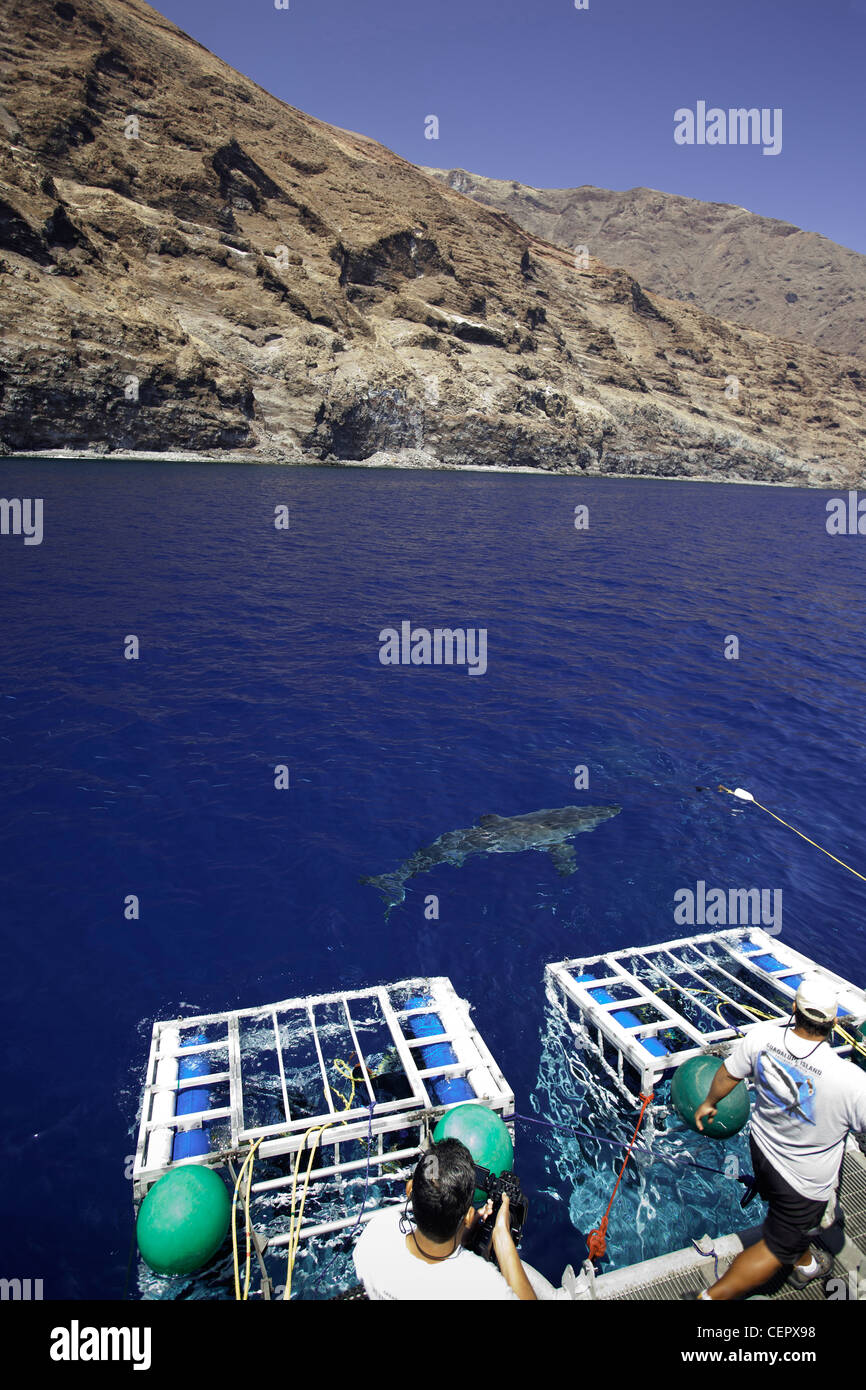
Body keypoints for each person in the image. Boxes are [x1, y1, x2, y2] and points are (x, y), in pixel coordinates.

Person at [693, 974, 866, 1300]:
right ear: (833, 1022)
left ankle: (805, 1263)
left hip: (762, 1153)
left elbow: (729, 1073)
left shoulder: (761, 1038)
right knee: (776, 1246)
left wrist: (708, 1103)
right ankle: (710, 1298)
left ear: (793, 1009)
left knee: (787, 1224)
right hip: (804, 1182)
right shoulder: (851, 1081)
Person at [352, 1137, 537, 1299]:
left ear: (410, 1190)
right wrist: (501, 1237)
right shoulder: (482, 1284)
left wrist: (462, 1237)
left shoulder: (377, 1233)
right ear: (468, 1217)